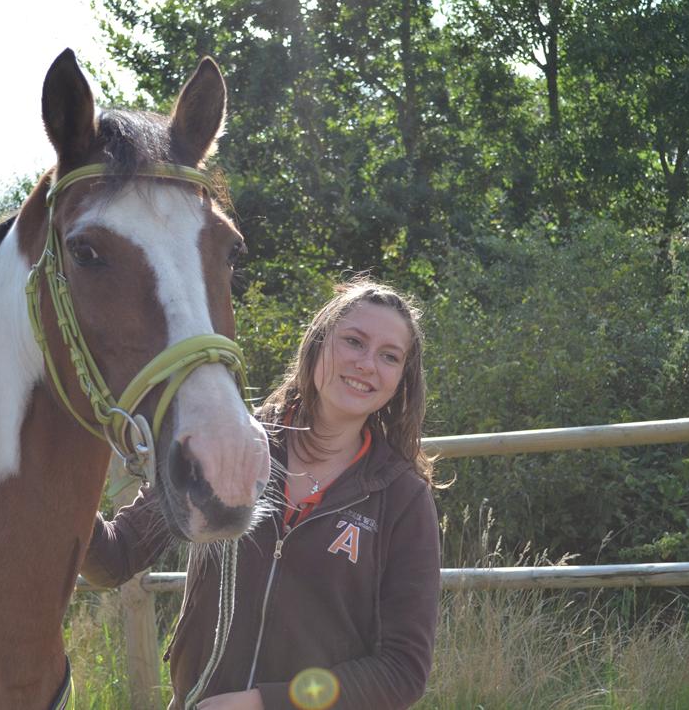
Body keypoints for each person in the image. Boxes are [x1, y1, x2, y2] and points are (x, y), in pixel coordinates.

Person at [82, 279, 441, 710]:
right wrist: (54, 483)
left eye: (389, 356)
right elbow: (114, 557)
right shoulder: (231, 445)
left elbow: (402, 669)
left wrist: (265, 703)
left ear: (401, 379)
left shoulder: (401, 496)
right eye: (353, 341)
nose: (367, 364)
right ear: (318, 344)